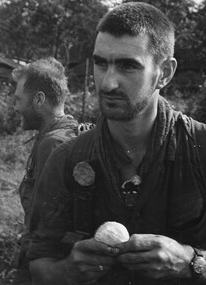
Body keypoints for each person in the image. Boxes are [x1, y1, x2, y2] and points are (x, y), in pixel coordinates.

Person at [27, 3, 206, 285]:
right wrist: (67, 271)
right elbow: (36, 263)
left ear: (165, 73)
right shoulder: (66, 159)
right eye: (101, 63)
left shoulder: (200, 149)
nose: (108, 83)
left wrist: (192, 263)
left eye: (127, 66)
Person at [11, 57, 79, 285]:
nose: (16, 107)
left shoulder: (54, 144)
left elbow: (47, 226)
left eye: (19, 100)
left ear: (39, 99)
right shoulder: (59, 136)